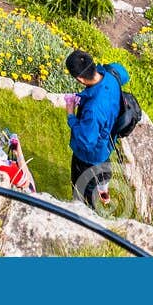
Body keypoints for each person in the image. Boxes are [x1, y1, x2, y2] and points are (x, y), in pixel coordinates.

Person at [63, 49, 130, 209]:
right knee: (102, 172)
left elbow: (87, 141)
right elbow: (124, 73)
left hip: (89, 156)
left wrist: (71, 115)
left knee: (82, 190)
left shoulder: (93, 110)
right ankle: (104, 194)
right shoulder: (111, 75)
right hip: (107, 142)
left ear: (79, 78)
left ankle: (84, 213)